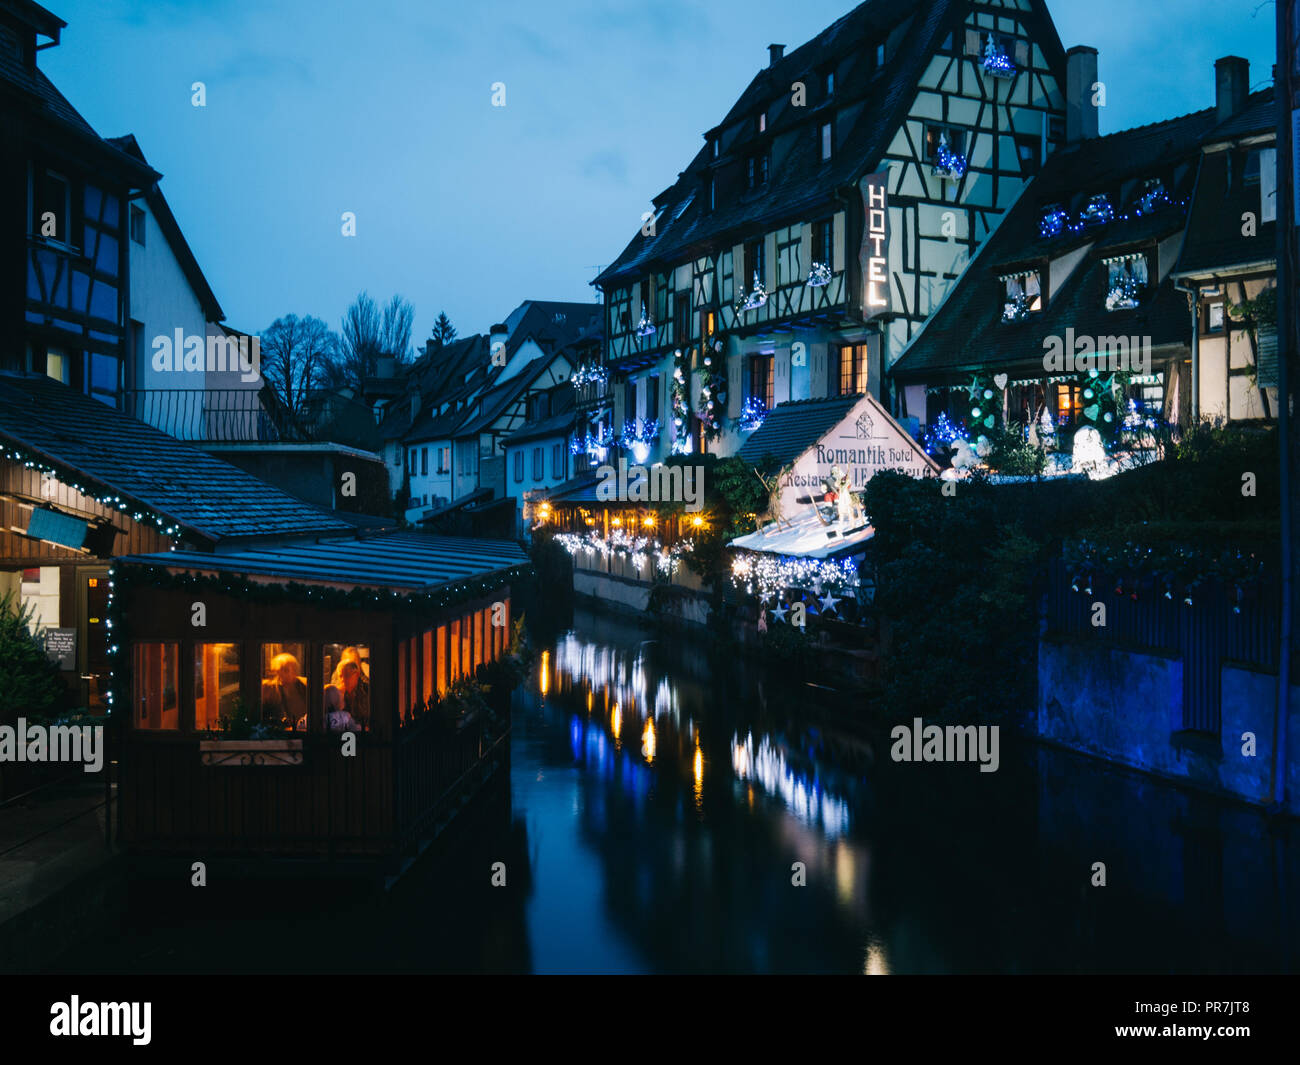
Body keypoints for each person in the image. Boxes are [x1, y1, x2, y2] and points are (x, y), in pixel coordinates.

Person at [325, 648, 370, 730]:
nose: (343, 679)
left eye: (353, 664)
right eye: (341, 676)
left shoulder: (366, 688)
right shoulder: (335, 690)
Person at [261, 652, 307, 730]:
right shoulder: (268, 688)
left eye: (285, 670)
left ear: (295, 670)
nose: (281, 674)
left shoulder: (305, 685)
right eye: (278, 671)